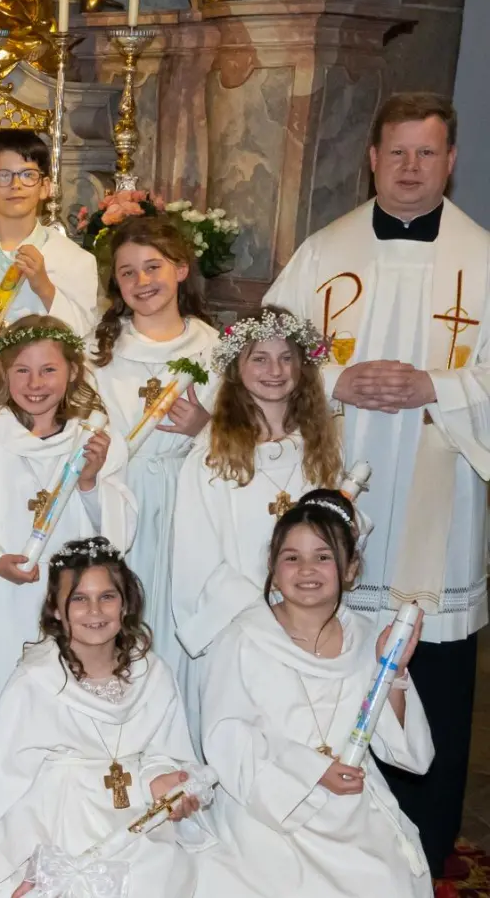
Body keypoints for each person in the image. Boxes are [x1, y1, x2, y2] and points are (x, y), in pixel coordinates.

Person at [261, 91, 489, 876]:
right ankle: (326, 838)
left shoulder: (483, 260)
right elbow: (262, 360)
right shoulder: (322, 254)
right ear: (372, 158)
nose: (411, 169)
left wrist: (440, 388)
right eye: (397, 153)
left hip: (440, 501)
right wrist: (331, 382)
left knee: (437, 671)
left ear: (451, 161)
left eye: (427, 154)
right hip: (338, 495)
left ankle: (425, 845)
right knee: (328, 659)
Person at [0, 315, 133, 808]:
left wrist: (90, 482)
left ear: (72, 373)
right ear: (3, 372)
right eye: (21, 371)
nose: (35, 384)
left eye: (48, 371)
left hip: (69, 615)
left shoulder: (96, 441)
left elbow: (119, 537)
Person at [198, 492, 431, 898]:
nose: (307, 569)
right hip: (271, 801)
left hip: (350, 802)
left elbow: (406, 755)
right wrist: (312, 771)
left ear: (350, 568)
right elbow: (226, 736)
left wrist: (392, 673)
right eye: (291, 558)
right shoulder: (242, 637)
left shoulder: (364, 637)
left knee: (385, 879)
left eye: (323, 557)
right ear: (272, 566)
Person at [0, 537, 213, 898]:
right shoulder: (34, 682)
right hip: (57, 822)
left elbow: (165, 752)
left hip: (137, 821)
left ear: (125, 605)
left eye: (107, 596)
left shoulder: (152, 674)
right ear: (56, 609)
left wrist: (160, 779)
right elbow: (2, 782)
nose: (95, 611)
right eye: (79, 599)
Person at [170, 306, 342, 724]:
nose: (275, 370)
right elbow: (197, 561)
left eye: (286, 358)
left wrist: (306, 606)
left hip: (311, 629)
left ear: (302, 367)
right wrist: (268, 618)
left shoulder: (322, 451)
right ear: (236, 367)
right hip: (240, 634)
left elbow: (339, 543)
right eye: (259, 358)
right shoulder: (211, 457)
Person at [89, 217, 219, 683]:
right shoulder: (99, 349)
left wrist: (206, 427)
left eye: (153, 267)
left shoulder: (213, 349)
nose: (142, 282)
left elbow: (245, 436)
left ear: (181, 269)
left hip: (189, 502)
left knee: (173, 617)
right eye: (128, 273)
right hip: (119, 499)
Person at [0, 129, 98, 335]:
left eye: (28, 175)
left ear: (45, 187)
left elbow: (86, 334)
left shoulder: (77, 260)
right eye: (3, 176)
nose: (16, 185)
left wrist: (44, 287)